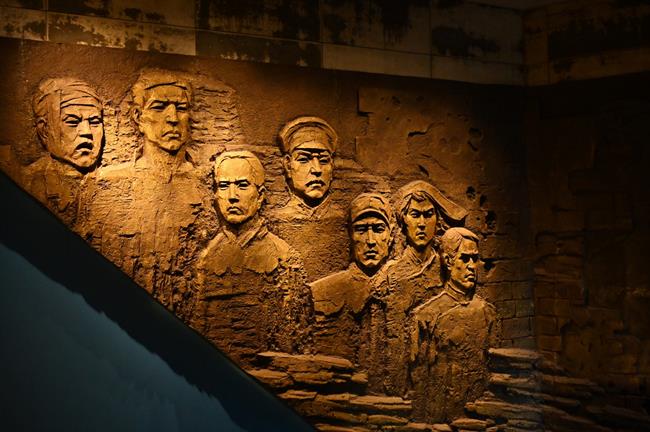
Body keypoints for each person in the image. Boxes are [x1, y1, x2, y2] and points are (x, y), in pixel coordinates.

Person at [78, 70, 217, 321]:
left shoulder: (211, 188)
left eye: (181, 108)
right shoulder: (106, 185)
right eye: (159, 107)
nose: (172, 118)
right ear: (138, 117)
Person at [194, 151, 311, 367]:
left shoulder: (284, 258)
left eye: (242, 185)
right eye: (223, 186)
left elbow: (294, 341)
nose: (232, 196)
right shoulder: (206, 257)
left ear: (260, 195)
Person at [374, 180, 466, 396]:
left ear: (437, 220)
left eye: (428, 215)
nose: (422, 223)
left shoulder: (448, 271)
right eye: (415, 215)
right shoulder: (389, 275)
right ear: (404, 220)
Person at [410, 227, 499, 423]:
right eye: (464, 259)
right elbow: (419, 378)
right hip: (438, 416)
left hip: (480, 415)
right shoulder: (426, 315)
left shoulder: (488, 312)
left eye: (475, 259)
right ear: (448, 261)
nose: (472, 266)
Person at [309, 192, 393, 362]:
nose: (370, 241)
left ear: (390, 237)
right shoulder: (322, 292)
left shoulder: (404, 289)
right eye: (361, 230)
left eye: (378, 229)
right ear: (350, 235)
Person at [268, 116, 348, 280]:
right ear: (288, 165)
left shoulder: (346, 221)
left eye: (323, 160)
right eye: (304, 159)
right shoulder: (274, 223)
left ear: (332, 166)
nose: (316, 169)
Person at [21, 78, 104, 224]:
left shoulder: (121, 186)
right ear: (44, 130)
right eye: (72, 122)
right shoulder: (26, 184)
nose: (86, 132)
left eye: (95, 122)